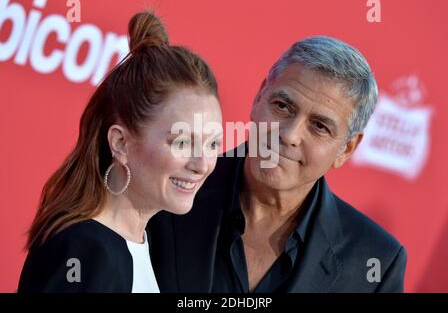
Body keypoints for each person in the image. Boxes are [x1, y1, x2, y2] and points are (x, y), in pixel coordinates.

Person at [148, 36, 407, 292]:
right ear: (259, 97)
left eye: (319, 126)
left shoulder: (376, 262)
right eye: (283, 106)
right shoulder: (167, 187)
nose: (289, 135)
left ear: (347, 148)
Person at [18, 10, 222, 293]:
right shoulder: (86, 252)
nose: (202, 164)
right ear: (120, 143)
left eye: (213, 144)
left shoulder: (139, 242)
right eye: (182, 142)